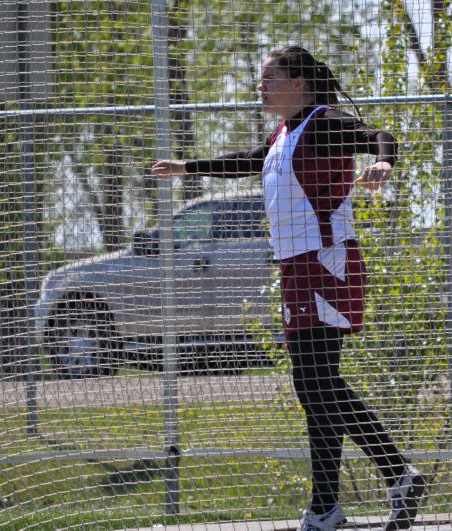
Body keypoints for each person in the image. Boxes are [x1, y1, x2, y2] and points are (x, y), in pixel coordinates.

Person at [152, 46, 425, 531]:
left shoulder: (321, 122)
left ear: (298, 83)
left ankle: (394, 473)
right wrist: (187, 168)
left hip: (326, 264)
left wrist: (383, 164)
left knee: (317, 384)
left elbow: (379, 136)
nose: (261, 86)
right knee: (314, 388)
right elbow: (246, 161)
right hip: (297, 268)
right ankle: (330, 504)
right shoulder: (284, 133)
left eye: (269, 77)